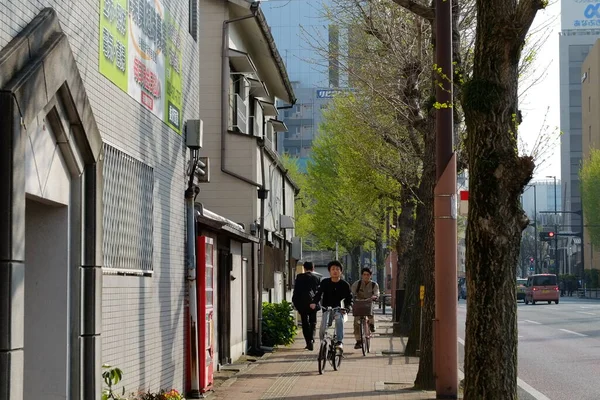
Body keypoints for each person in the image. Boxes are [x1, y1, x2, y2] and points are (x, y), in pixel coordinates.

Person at [310, 260, 353, 351]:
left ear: (341, 272)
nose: (335, 271)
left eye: (337, 269)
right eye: (333, 269)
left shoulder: (345, 285)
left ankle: (339, 342)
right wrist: (314, 302)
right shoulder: (325, 282)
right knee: (323, 327)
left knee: (339, 320)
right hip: (327, 309)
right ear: (329, 271)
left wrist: (347, 308)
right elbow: (318, 294)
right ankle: (323, 345)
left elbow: (349, 299)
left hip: (339, 309)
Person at [292, 261, 321, 350]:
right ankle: (312, 338)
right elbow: (319, 292)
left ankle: (308, 341)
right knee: (313, 322)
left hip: (302, 303)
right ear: (313, 268)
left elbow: (296, 291)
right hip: (313, 302)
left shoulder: (299, 277)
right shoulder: (317, 277)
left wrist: (295, 302)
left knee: (305, 322)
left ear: (304, 268)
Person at [351, 268, 380, 349]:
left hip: (369, 303)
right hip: (359, 303)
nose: (366, 276)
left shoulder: (374, 284)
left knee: (370, 313)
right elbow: (352, 292)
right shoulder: (357, 284)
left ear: (370, 276)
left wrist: (375, 297)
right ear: (362, 275)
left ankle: (372, 325)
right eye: (364, 274)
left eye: (368, 275)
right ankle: (358, 341)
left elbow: (377, 293)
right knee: (356, 322)